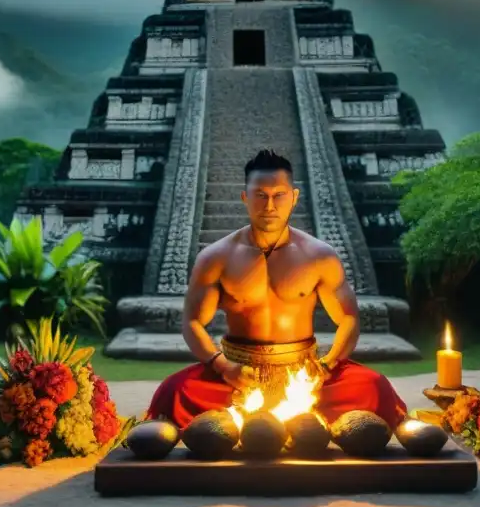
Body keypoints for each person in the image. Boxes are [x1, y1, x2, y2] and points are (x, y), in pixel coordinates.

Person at [146, 149, 408, 430]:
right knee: (174, 391)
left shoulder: (319, 256)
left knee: (374, 386)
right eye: (260, 195)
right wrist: (224, 367)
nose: (269, 205)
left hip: (305, 374)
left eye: (279, 195)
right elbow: (193, 321)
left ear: (293, 198)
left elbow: (349, 318)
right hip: (237, 374)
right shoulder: (216, 257)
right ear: (245, 198)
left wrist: (327, 365)